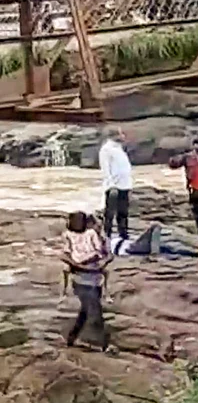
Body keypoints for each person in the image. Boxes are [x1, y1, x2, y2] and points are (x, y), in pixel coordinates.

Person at [62, 212, 113, 351]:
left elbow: (103, 254)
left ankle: (71, 338)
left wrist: (100, 262)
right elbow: (64, 255)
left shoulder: (92, 234)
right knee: (95, 310)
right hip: (80, 279)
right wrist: (79, 265)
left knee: (85, 311)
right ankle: (103, 344)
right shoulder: (68, 235)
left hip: (95, 279)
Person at [99, 127, 133, 240]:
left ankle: (123, 234)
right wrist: (111, 184)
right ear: (115, 136)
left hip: (125, 185)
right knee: (110, 213)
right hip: (113, 186)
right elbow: (105, 168)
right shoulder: (106, 149)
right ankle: (106, 235)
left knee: (123, 212)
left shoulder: (119, 149)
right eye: (121, 134)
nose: (123, 136)